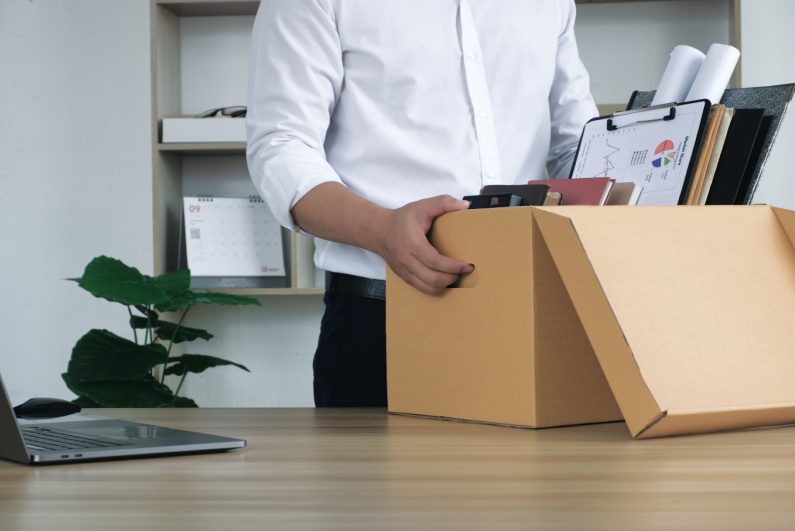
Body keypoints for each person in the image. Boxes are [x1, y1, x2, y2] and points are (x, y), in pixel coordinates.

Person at [246, 0, 598, 407]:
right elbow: (281, 146)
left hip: (533, 311)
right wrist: (381, 230)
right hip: (381, 317)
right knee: (375, 473)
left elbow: (576, 144)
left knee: (546, 470)